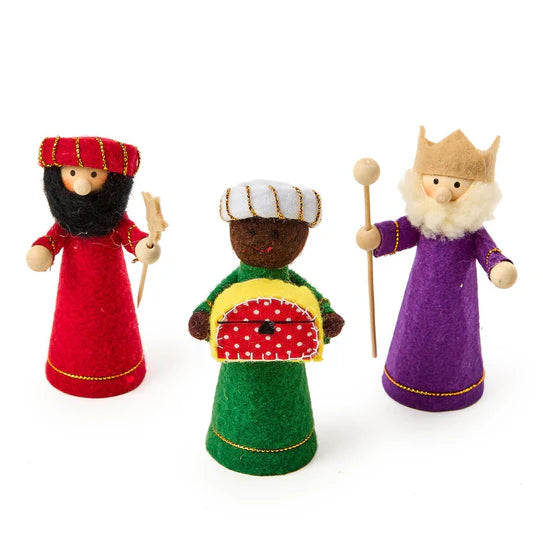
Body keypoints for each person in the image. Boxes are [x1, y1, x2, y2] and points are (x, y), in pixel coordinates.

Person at [189, 180, 344, 475]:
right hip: (239, 364)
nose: (262, 240)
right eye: (250, 232)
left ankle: (291, 445)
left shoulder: (290, 281)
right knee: (240, 396)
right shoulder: (239, 279)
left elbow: (315, 298)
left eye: (276, 233)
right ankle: (231, 442)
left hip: (287, 363)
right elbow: (214, 299)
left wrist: (326, 315)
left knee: (283, 395)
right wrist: (202, 313)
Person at [356, 127, 517, 411]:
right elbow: (398, 232)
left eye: (456, 184)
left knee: (455, 339)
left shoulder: (471, 229)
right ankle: (403, 382)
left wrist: (498, 266)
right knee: (413, 331)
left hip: (458, 305)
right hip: (419, 301)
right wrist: (376, 237)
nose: (443, 192)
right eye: (434, 181)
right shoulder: (424, 220)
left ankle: (456, 387)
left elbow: (488, 251)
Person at [27, 137, 161, 398]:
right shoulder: (67, 222)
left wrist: (144, 247)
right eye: (72, 173)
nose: (82, 183)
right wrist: (42, 251)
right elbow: (52, 239)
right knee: (74, 326)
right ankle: (67, 371)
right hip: (74, 291)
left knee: (112, 326)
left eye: (93, 174)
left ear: (112, 181)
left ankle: (119, 371)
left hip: (112, 296)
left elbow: (132, 236)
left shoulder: (114, 220)